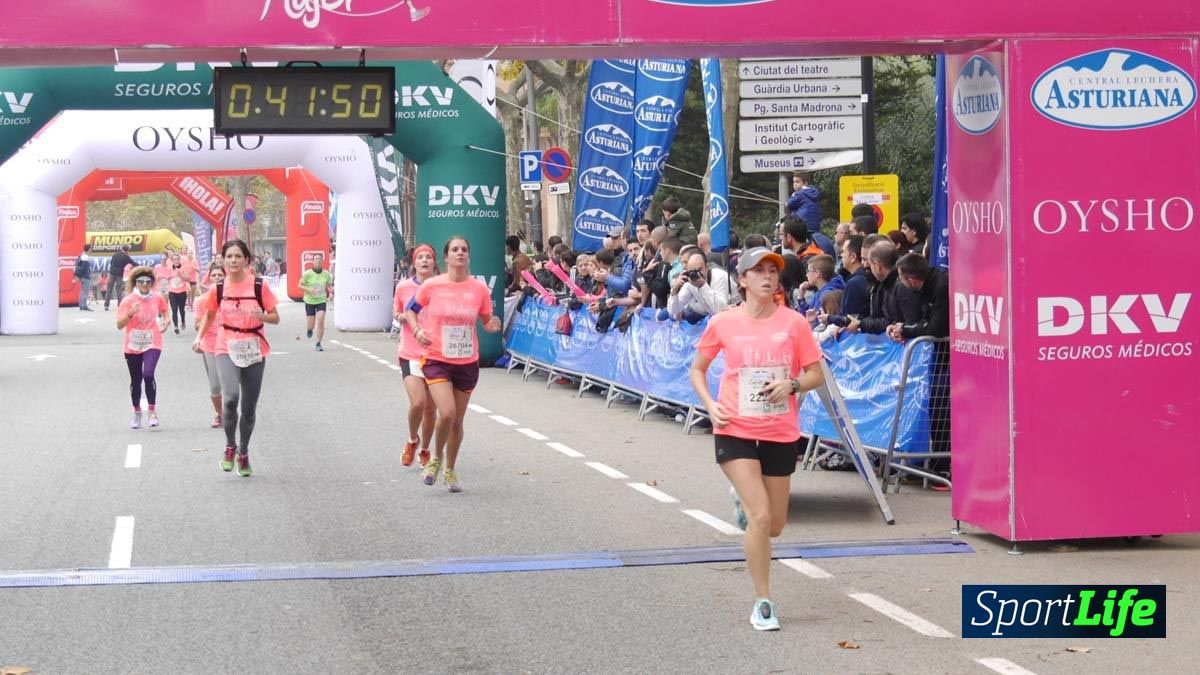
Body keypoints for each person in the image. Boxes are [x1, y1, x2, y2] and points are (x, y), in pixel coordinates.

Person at [688, 247, 824, 631]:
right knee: (761, 516)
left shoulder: (794, 323)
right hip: (735, 429)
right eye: (759, 270)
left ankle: (744, 500)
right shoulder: (724, 323)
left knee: (776, 524)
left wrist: (793, 384)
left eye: (773, 271)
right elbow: (698, 369)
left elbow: (816, 374)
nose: (768, 277)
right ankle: (763, 601)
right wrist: (711, 405)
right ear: (742, 279)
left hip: (780, 431)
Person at [405, 236, 502, 493]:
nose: (460, 253)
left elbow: (486, 320)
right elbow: (411, 310)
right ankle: (435, 458)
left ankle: (450, 469)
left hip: (467, 362)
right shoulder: (432, 285)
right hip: (436, 358)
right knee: (445, 412)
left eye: (464, 250)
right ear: (446, 258)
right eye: (455, 250)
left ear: (468, 256)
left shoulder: (478, 289)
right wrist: (416, 331)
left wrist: (492, 325)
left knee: (457, 421)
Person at [193, 239, 280, 477]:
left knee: (249, 408)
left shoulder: (259, 286)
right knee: (230, 398)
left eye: (238, 257)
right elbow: (210, 315)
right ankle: (230, 446)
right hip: (226, 345)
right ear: (224, 260)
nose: (233, 261)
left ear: (246, 260)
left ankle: (243, 451)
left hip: (254, 346)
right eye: (229, 256)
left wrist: (261, 315)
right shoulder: (218, 289)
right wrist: (199, 338)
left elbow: (275, 317)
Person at [393, 244, 440, 468]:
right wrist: (402, 317)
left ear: (434, 262)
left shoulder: (443, 286)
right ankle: (413, 439)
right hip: (410, 352)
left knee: (432, 408)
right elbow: (396, 311)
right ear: (414, 262)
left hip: (436, 354)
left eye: (428, 257)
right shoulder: (403, 287)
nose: (424, 261)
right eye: (420, 257)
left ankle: (425, 449)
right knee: (418, 403)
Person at [116, 266, 170, 429]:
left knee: (148, 374)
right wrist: (130, 314)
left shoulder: (157, 298)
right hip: (132, 345)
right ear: (135, 283)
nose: (145, 285)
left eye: (148, 281)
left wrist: (166, 321)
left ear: (152, 283)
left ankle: (152, 412)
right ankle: (137, 412)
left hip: (152, 342)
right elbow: (119, 325)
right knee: (136, 380)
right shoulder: (128, 301)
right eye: (141, 282)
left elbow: (165, 311)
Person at [195, 261, 226, 429]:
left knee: (230, 383)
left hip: (230, 344)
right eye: (214, 275)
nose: (217, 277)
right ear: (208, 278)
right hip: (210, 344)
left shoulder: (232, 297)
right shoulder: (202, 301)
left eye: (220, 275)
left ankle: (229, 412)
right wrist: (208, 321)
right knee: (215, 384)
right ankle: (219, 413)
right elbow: (197, 324)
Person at [299, 253, 334, 351]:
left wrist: (331, 293)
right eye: (316, 259)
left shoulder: (326, 274)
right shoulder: (307, 274)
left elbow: (329, 286)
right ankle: (309, 329)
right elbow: (300, 285)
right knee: (311, 324)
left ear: (321, 261)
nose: (318, 260)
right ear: (313, 261)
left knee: (320, 321)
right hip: (309, 300)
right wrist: (309, 290)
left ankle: (318, 343)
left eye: (319, 259)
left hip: (321, 299)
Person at [164, 252, 190, 335]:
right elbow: (166, 279)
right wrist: (168, 277)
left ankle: (183, 321)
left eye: (177, 259)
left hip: (182, 291)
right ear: (172, 260)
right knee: (174, 310)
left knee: (181, 309)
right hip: (172, 292)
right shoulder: (169, 268)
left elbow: (188, 279)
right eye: (174, 259)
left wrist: (180, 274)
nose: (176, 261)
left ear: (180, 260)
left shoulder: (184, 268)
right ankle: (176, 327)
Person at [105, 245, 135, 310]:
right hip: (119, 275)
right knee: (119, 290)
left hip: (112, 273)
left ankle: (106, 305)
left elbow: (111, 262)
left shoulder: (115, 254)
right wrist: (140, 266)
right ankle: (119, 305)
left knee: (109, 289)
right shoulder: (126, 257)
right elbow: (133, 263)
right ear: (127, 251)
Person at [73, 244, 94, 311]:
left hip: (82, 277)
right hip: (85, 276)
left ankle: (81, 305)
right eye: (90, 248)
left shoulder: (82, 255)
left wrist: (78, 276)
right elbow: (83, 268)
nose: (91, 250)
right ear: (88, 249)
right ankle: (84, 305)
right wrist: (80, 275)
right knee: (85, 292)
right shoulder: (85, 257)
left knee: (82, 291)